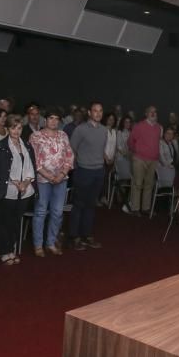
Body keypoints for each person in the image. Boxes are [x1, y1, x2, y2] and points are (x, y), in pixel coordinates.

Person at [0, 114, 36, 264]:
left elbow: (31, 167)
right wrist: (14, 182)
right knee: (4, 222)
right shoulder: (0, 146)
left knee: (15, 222)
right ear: (8, 128)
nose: (16, 131)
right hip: (7, 191)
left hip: (24, 191)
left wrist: (26, 183)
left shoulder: (27, 145)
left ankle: (11, 249)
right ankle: (3, 251)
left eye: (19, 128)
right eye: (13, 127)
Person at [30, 110, 72, 255]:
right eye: (51, 118)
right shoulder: (36, 136)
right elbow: (34, 159)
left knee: (57, 212)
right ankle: (38, 245)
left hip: (61, 179)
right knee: (41, 211)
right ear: (45, 120)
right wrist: (49, 176)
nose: (54, 121)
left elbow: (69, 156)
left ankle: (51, 242)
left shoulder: (63, 135)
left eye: (56, 119)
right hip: (43, 179)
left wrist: (61, 174)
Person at [68, 102, 106, 250]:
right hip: (83, 171)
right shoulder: (81, 129)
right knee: (78, 205)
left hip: (98, 171)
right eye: (95, 111)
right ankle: (73, 237)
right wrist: (78, 166)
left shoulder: (104, 130)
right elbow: (72, 149)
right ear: (89, 113)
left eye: (100, 111)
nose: (98, 113)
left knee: (91, 205)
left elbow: (100, 150)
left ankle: (87, 235)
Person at [125, 105, 161, 216]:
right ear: (146, 114)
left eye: (155, 112)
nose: (153, 114)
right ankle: (135, 209)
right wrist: (137, 151)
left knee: (149, 184)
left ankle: (145, 208)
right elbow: (130, 141)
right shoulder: (139, 126)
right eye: (151, 112)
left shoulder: (159, 127)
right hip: (139, 159)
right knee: (137, 184)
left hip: (153, 160)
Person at [113, 115, 133, 207]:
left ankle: (125, 196)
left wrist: (130, 154)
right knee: (122, 177)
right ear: (123, 123)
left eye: (129, 122)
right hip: (120, 158)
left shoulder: (132, 133)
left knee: (129, 178)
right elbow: (118, 146)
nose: (127, 124)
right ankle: (119, 194)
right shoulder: (119, 132)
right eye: (126, 122)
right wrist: (126, 154)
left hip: (129, 158)